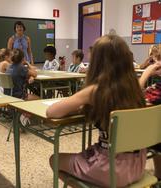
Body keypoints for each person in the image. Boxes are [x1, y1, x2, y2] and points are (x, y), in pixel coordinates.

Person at [46, 34, 154, 187]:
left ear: (97, 63)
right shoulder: (135, 90)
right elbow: (139, 83)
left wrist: (77, 108)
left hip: (110, 169)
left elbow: (52, 112)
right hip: (137, 165)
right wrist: (149, 70)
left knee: (54, 159)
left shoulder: (95, 91)